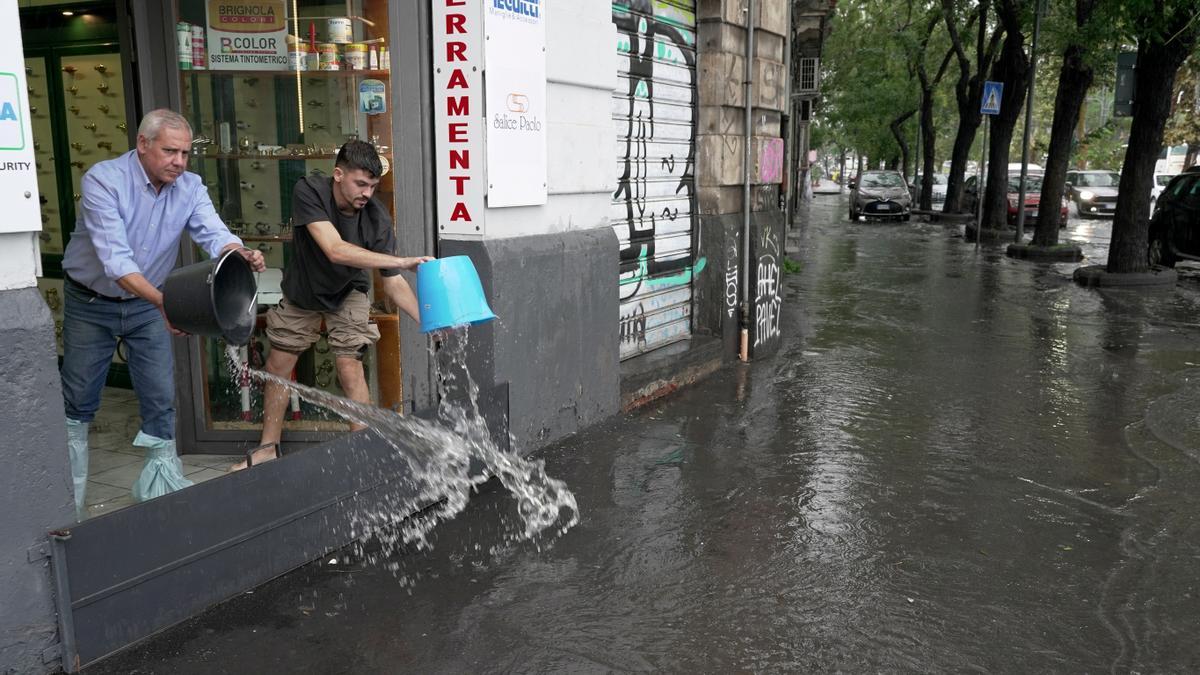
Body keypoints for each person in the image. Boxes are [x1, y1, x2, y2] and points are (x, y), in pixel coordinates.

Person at [61, 108, 265, 518]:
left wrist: (239, 253)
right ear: (142, 145)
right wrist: (165, 304)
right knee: (79, 401)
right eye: (170, 151)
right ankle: (70, 507)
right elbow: (116, 262)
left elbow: (214, 232)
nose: (179, 162)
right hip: (90, 302)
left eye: (186, 153)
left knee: (159, 398)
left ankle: (162, 500)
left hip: (145, 304)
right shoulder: (104, 180)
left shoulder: (189, 187)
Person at [233, 140, 432, 470]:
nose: (367, 193)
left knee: (349, 365)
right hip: (304, 290)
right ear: (338, 174)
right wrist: (402, 259)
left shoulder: (376, 219)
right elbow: (335, 249)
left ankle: (365, 453)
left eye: (373, 186)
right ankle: (268, 448)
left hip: (348, 290)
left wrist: (429, 323)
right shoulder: (309, 190)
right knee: (278, 366)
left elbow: (394, 283)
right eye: (361, 183)